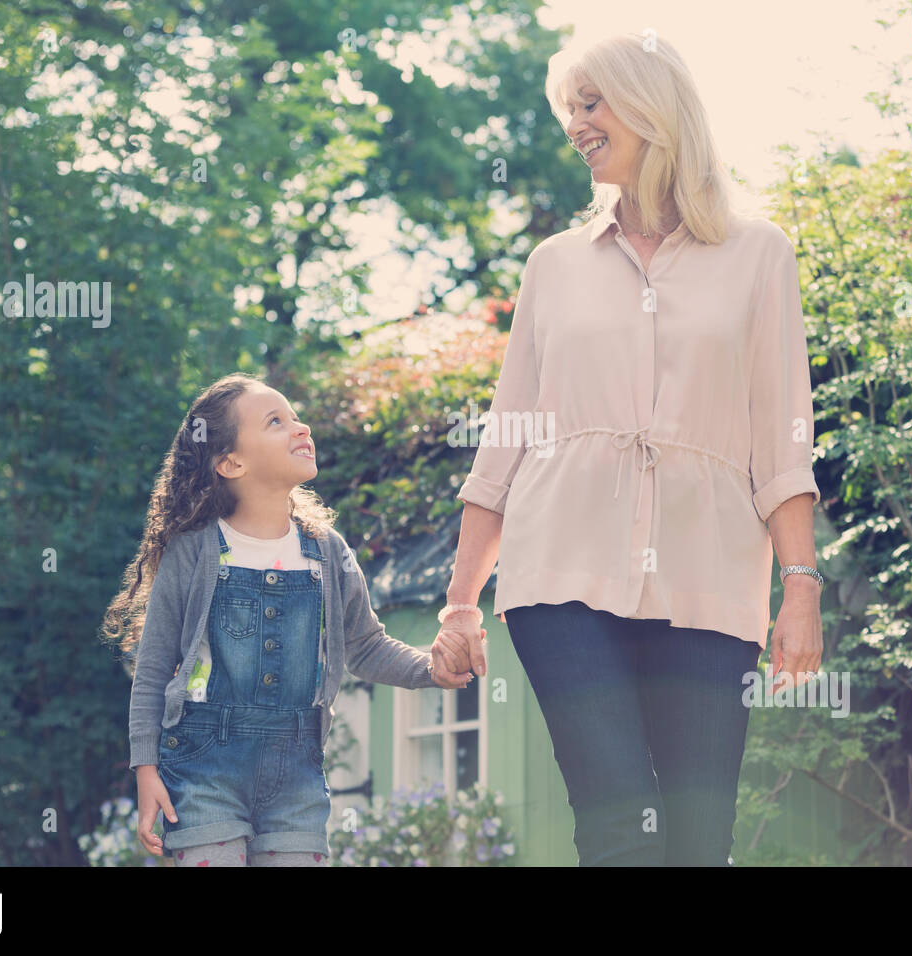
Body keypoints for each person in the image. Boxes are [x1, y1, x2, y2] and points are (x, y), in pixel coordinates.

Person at [430, 32, 825, 866]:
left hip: (710, 579)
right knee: (616, 821)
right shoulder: (554, 266)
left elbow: (782, 437)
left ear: (653, 106)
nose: (576, 124)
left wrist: (801, 586)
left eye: (591, 103)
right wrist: (461, 601)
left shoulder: (759, 255)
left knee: (695, 839)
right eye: (570, 108)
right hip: (561, 569)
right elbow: (506, 437)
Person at [104, 373, 470, 866]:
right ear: (231, 462)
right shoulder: (194, 551)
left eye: (296, 417)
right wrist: (146, 768)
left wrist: (431, 668)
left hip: (296, 772)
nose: (301, 428)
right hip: (203, 765)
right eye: (276, 421)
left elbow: (365, 646)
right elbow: (152, 672)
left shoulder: (328, 551)